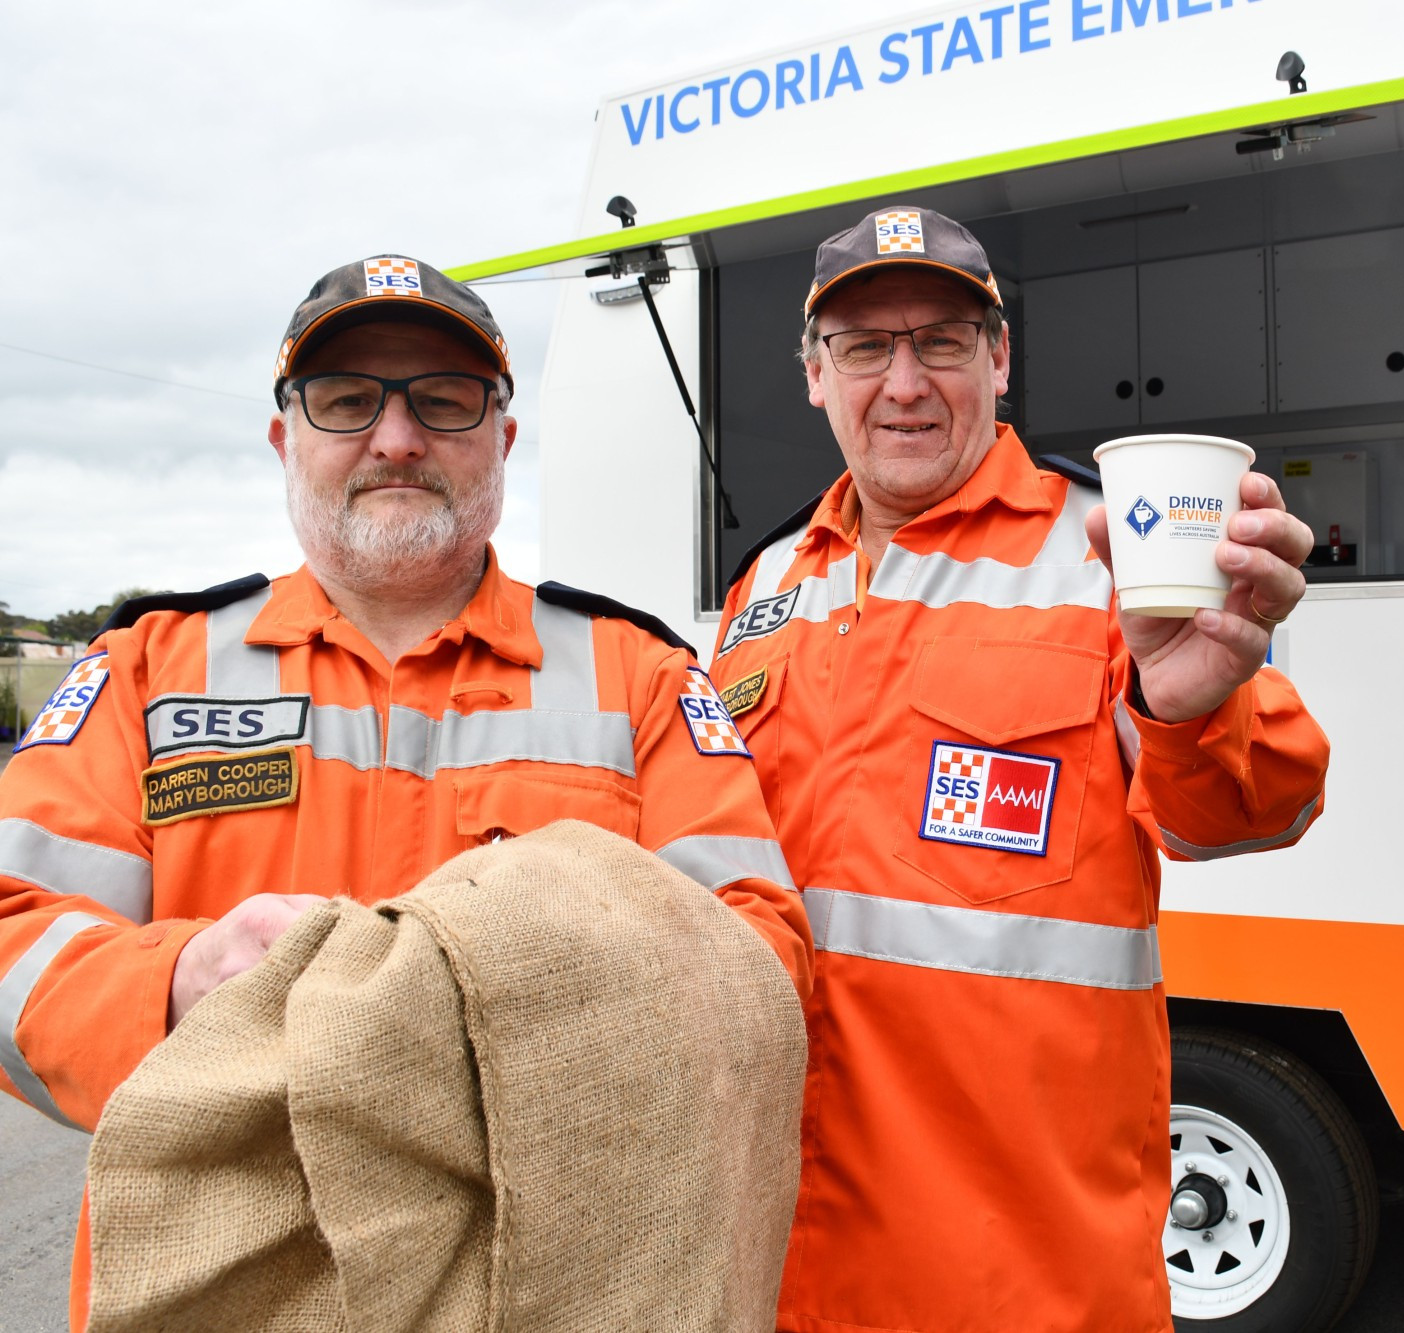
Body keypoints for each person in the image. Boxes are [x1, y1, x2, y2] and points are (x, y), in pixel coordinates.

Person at [0, 256, 811, 1328]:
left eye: (443, 399)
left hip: (547, 1281)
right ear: (286, 439)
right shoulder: (145, 669)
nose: (395, 438)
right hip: (229, 1283)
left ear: (502, 441)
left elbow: (760, 956)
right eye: (347, 401)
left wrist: (523, 991)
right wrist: (181, 976)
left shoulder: (644, 677)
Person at [709, 206, 1329, 1333]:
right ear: (814, 376)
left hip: (1021, 1277)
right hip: (786, 1264)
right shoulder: (761, 591)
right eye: (863, 347)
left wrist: (1189, 705)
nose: (902, 382)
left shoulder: (1114, 553)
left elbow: (1244, 810)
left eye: (940, 341)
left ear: (999, 359)